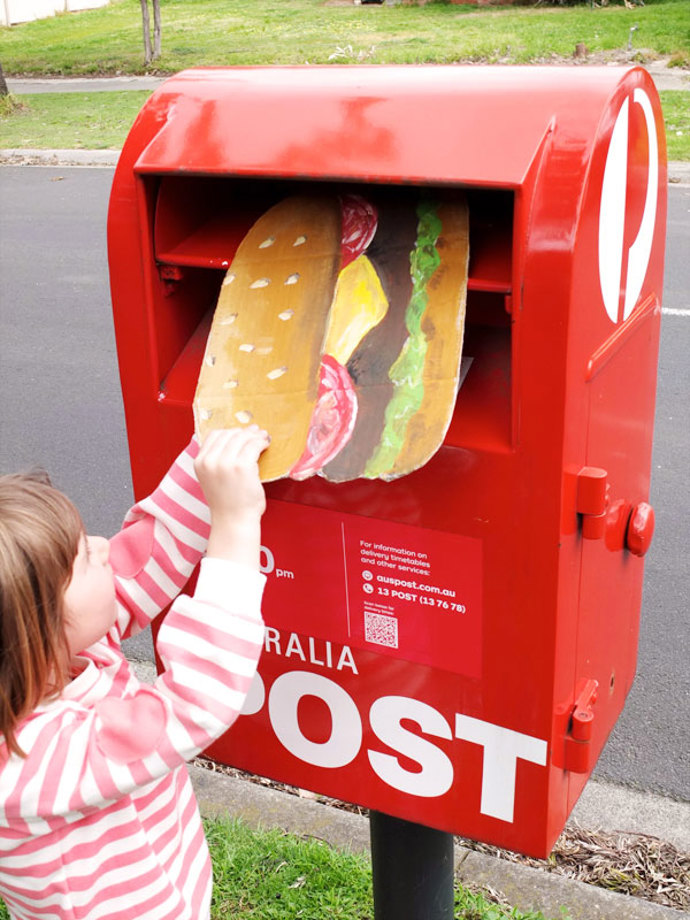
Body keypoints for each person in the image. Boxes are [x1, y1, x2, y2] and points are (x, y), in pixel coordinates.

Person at [0, 426, 271, 920]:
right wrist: (234, 526)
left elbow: (142, 557)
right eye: (82, 560)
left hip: (174, 887)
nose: (104, 545)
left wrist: (213, 448)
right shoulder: (27, 762)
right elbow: (193, 703)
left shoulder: (64, 651)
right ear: (35, 629)